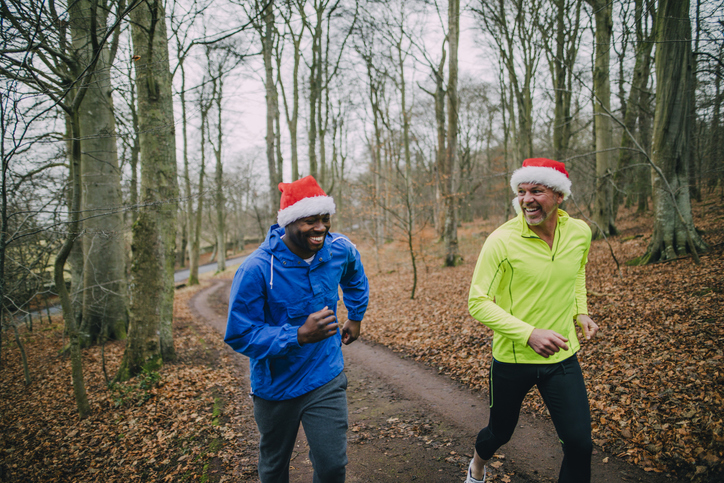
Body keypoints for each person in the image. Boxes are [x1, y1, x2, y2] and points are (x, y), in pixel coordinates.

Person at [224, 175, 369, 483]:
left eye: (324, 219)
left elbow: (354, 274)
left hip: (325, 374)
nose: (321, 228)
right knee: (274, 468)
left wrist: (355, 316)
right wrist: (298, 335)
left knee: (332, 467)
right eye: (310, 221)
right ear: (288, 222)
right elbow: (239, 333)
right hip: (275, 388)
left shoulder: (339, 248)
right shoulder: (257, 269)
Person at [465, 158, 599, 483]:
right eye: (522, 192)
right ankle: (477, 466)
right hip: (513, 359)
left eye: (536, 191)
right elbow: (477, 302)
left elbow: (577, 270)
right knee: (500, 433)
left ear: (559, 196)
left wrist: (580, 310)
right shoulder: (502, 240)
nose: (526, 200)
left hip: (562, 355)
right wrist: (529, 334)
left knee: (580, 444)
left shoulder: (580, 232)